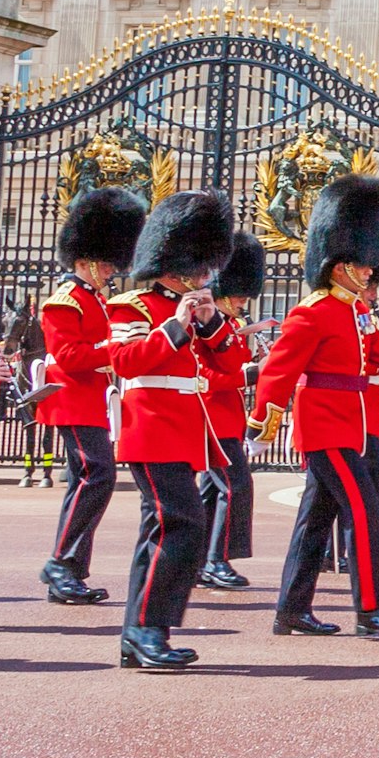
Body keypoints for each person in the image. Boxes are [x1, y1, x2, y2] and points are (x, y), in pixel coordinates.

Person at [255, 176, 379, 642]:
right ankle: (370, 610)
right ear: (340, 264)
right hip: (327, 427)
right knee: (364, 510)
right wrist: (263, 420)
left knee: (316, 521)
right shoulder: (312, 311)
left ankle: (291, 610)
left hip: (357, 424)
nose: (371, 272)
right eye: (363, 265)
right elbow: (279, 370)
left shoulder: (355, 312)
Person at [108, 191, 240, 672]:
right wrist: (177, 327)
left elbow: (231, 360)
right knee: (180, 524)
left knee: (171, 527)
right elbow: (124, 360)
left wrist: (208, 325)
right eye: (198, 266)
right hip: (150, 428)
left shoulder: (193, 308)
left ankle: (144, 632)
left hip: (183, 430)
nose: (205, 276)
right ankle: (146, 629)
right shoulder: (133, 305)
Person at [37, 185, 145, 607]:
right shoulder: (64, 301)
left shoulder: (97, 299)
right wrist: (113, 352)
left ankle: (69, 570)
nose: (111, 270)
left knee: (90, 480)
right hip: (72, 399)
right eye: (104, 263)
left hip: (94, 400)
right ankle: (61, 563)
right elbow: (67, 355)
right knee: (95, 476)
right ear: (82, 260)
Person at [195, 232, 266, 591]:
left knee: (211, 490)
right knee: (236, 486)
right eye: (239, 293)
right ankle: (216, 560)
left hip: (226, 418)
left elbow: (234, 360)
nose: (243, 300)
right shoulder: (203, 322)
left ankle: (198, 559)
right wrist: (252, 373)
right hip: (211, 417)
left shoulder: (229, 325)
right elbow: (201, 375)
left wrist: (248, 336)